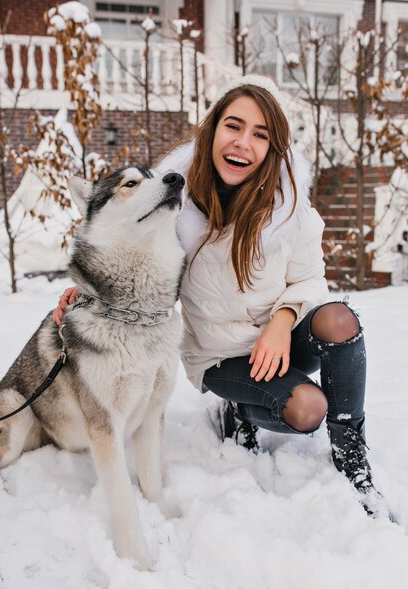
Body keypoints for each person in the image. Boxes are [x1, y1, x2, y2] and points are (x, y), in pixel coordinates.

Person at [54, 74, 387, 518]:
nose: (243, 143)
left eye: (260, 134)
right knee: (307, 409)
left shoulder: (290, 207)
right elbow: (127, 252)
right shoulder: (173, 201)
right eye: (233, 126)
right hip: (220, 355)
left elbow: (310, 280)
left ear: (273, 148)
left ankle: (350, 452)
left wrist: (283, 320)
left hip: (280, 342)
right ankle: (239, 414)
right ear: (212, 130)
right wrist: (88, 291)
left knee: (339, 320)